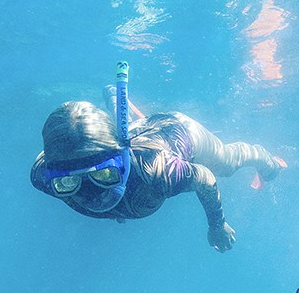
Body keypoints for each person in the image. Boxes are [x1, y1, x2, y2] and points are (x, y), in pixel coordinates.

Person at [30, 96, 286, 252]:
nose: (91, 193)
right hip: (135, 137)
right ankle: (120, 110)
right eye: (69, 181)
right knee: (121, 136)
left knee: (227, 164)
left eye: (105, 175)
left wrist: (217, 225)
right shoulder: (43, 176)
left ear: (120, 158)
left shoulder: (158, 171)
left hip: (178, 131)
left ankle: (266, 160)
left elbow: (206, 177)